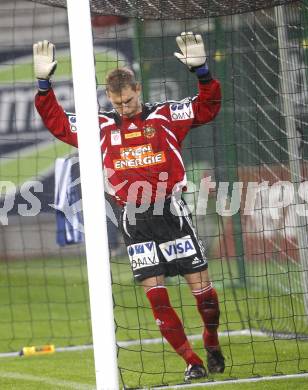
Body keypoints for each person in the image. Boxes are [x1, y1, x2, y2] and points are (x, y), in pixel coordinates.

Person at [33, 32, 225, 381]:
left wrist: (203, 74)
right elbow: (58, 122)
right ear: (109, 97)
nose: (125, 108)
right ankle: (192, 361)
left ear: (138, 90)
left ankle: (211, 339)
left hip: (171, 213)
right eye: (118, 103)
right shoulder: (100, 125)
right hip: (132, 220)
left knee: (204, 294)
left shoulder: (166, 115)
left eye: (130, 101)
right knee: (156, 298)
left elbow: (207, 107)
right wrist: (44, 86)